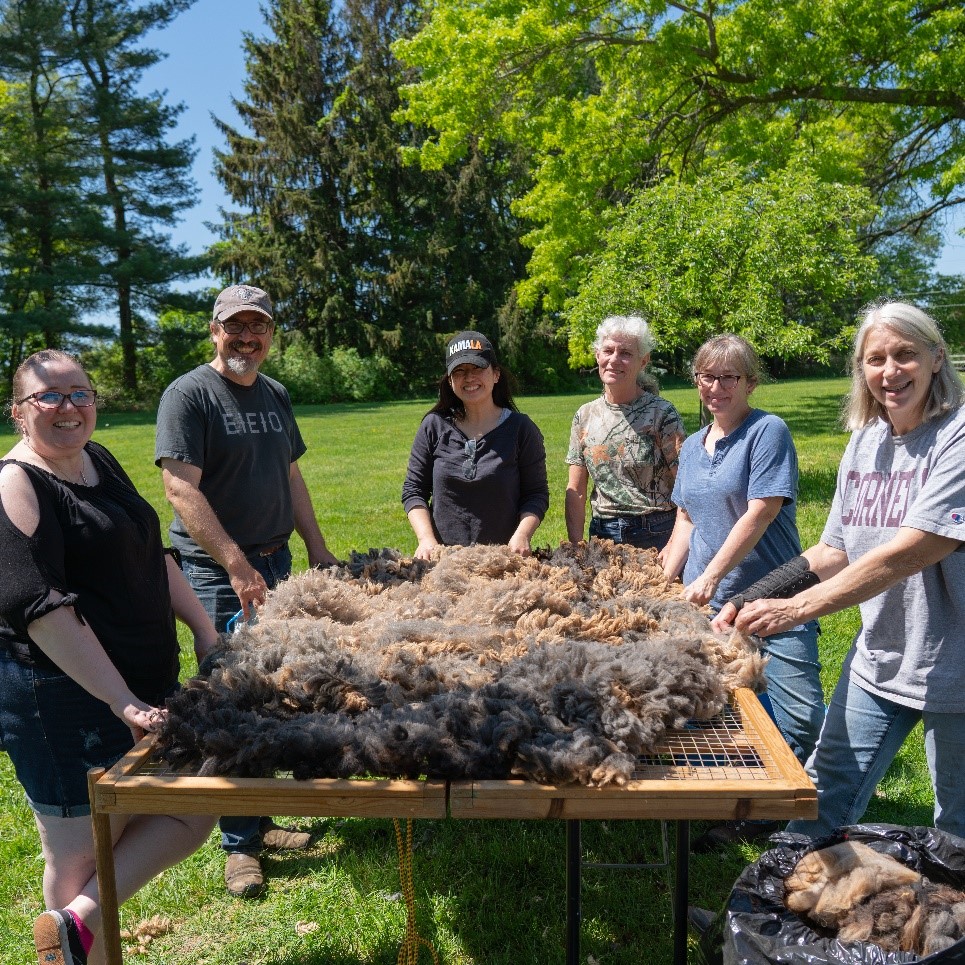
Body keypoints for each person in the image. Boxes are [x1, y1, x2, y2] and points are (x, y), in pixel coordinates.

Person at [713, 301, 965, 841]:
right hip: (882, 654)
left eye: (905, 355)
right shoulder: (865, 441)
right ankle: (765, 919)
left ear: (937, 357)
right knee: (820, 796)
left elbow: (913, 550)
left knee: (956, 830)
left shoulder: (957, 437)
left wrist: (796, 608)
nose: (890, 372)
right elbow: (834, 548)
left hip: (958, 665)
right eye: (876, 359)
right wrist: (750, 597)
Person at [0, 350, 217, 965]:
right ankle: (75, 941)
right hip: (63, 702)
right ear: (20, 412)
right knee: (79, 859)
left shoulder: (98, 459)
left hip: (142, 691)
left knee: (190, 808)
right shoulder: (15, 483)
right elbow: (40, 610)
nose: (68, 407)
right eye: (49, 396)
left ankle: (75, 928)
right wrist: (119, 698)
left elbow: (153, 554)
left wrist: (203, 628)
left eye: (80, 394)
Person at [155, 284, 338, 899]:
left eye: (258, 327)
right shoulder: (189, 395)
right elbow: (180, 489)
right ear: (215, 330)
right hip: (218, 572)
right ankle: (237, 846)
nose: (247, 338)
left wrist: (315, 545)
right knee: (231, 698)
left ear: (270, 336)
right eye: (236, 327)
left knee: (276, 690)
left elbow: (290, 474)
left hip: (277, 561)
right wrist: (233, 562)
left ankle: (258, 816)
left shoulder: (274, 393)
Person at [660, 335, 825, 848]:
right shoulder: (690, 445)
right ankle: (732, 802)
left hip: (775, 597)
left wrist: (712, 577)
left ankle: (782, 810)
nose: (718, 387)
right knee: (708, 711)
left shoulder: (767, 432)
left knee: (800, 716)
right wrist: (664, 577)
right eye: (708, 377)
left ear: (750, 382)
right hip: (708, 608)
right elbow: (685, 517)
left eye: (730, 377)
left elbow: (762, 511)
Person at [402, 330, 549, 559]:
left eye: (477, 368)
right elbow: (414, 490)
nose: (469, 377)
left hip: (502, 561)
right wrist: (426, 540)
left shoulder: (520, 429)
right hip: (443, 561)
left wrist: (522, 535)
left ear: (496, 374)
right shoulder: (434, 426)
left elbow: (536, 494)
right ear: (450, 381)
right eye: (459, 371)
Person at [565, 315, 686, 550]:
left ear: (643, 361)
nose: (614, 360)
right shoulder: (585, 415)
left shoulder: (661, 414)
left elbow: (685, 484)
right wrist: (576, 547)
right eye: (608, 350)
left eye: (626, 353)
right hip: (602, 535)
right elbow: (576, 490)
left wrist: (675, 544)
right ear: (597, 355)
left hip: (656, 531)